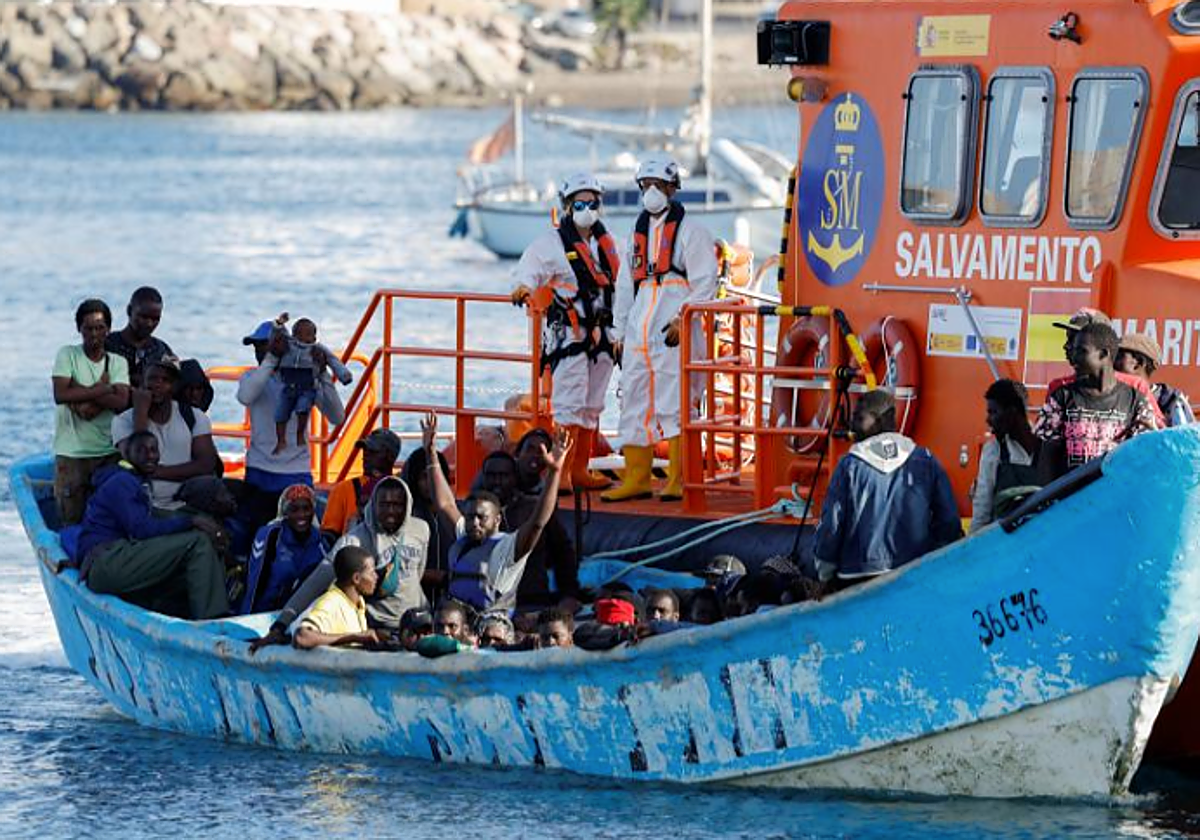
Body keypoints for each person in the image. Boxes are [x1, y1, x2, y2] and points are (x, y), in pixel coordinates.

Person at [604, 154, 719, 503]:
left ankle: (678, 479)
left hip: (672, 328)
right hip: (640, 325)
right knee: (634, 401)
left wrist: (683, 319)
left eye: (658, 185)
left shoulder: (692, 232)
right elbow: (625, 287)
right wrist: (619, 333)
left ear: (672, 188)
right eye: (646, 185)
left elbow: (706, 283)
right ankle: (637, 477)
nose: (651, 191)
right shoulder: (636, 234)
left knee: (676, 402)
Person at [512, 172, 620, 493]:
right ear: (568, 206)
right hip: (570, 336)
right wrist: (523, 287)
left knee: (593, 405)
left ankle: (581, 469)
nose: (587, 208)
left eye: (593, 202)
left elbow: (627, 280)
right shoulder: (551, 244)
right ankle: (561, 473)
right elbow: (530, 268)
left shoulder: (609, 244)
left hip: (604, 336)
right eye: (580, 203)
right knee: (569, 403)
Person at [249, 476, 431, 652]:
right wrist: (280, 625)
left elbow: (417, 574)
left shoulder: (421, 530)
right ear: (373, 505)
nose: (391, 511)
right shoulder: (356, 539)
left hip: (416, 626)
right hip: (378, 629)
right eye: (384, 505)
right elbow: (315, 582)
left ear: (407, 506)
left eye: (397, 505)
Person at [422, 412, 571, 614]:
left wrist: (554, 472)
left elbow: (538, 521)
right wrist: (430, 453)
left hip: (504, 616)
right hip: (464, 619)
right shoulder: (465, 536)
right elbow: (445, 504)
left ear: (497, 520)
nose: (475, 523)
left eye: (482, 518)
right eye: (470, 517)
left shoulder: (508, 548)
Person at [813, 389, 963, 589]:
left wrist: (824, 573)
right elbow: (949, 521)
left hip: (856, 576)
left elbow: (832, 524)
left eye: (859, 419)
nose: (852, 426)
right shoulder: (925, 460)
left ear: (880, 420)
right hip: (913, 573)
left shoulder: (849, 466)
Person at [77, 430, 228, 620]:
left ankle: (179, 612)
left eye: (154, 450)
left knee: (195, 546)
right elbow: (142, 530)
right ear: (127, 454)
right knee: (196, 542)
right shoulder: (121, 482)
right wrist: (192, 522)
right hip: (106, 562)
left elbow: (152, 521)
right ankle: (213, 621)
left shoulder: (136, 482)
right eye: (142, 450)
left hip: (115, 559)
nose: (150, 456)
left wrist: (196, 522)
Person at [236, 318, 346, 535]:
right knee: (256, 536)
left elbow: (337, 417)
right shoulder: (253, 377)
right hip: (259, 470)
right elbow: (245, 396)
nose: (260, 352)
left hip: (296, 472)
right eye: (257, 347)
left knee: (300, 537)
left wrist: (322, 372)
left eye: (265, 346)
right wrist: (272, 359)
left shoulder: (307, 379)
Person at [1036, 321, 1156, 482]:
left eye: (1081, 351)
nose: (1073, 356)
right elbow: (1046, 455)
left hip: (1113, 495)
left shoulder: (1135, 401)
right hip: (1069, 498)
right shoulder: (1062, 397)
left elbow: (1142, 458)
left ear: (1103, 354)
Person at [52, 299, 132, 525]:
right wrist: (104, 387)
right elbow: (60, 395)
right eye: (88, 328)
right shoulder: (67, 355)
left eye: (100, 328)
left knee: (108, 518)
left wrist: (82, 396)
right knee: (72, 517)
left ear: (108, 329)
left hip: (107, 451)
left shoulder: (117, 362)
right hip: (72, 455)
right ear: (79, 329)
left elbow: (121, 401)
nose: (95, 334)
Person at [110, 357, 221, 511]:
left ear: (174, 387)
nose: (158, 384)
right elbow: (139, 459)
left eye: (165, 380)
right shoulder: (122, 421)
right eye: (153, 378)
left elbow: (206, 465)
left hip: (185, 503)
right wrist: (141, 411)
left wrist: (158, 471)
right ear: (142, 383)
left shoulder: (195, 417)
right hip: (143, 506)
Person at [474, 451, 580, 610]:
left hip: (532, 601)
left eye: (503, 475)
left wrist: (569, 595)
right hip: (488, 604)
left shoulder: (534, 509)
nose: (497, 481)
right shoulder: (473, 515)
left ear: (515, 478)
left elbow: (563, 552)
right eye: (491, 475)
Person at [1051, 309, 1165, 427]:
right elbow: (1047, 440)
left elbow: (1158, 434)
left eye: (1075, 339)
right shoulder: (1060, 389)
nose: (1067, 346)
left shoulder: (1135, 387)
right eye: (1068, 338)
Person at [272, 313, 353, 454]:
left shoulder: (317, 351)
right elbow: (278, 335)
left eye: (307, 334)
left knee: (302, 409)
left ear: (314, 337)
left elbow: (338, 417)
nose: (302, 337)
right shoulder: (285, 347)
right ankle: (281, 441)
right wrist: (279, 324)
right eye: (298, 333)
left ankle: (299, 436)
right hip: (288, 387)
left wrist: (327, 373)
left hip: (306, 386)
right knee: (281, 413)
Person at [238, 484, 326, 615]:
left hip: (300, 615)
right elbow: (255, 582)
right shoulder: (270, 535)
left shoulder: (320, 541)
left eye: (306, 509)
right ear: (286, 512)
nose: (301, 515)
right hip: (265, 614)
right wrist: (248, 618)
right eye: (294, 509)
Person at [969, 379, 1040, 533]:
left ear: (1012, 412)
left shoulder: (1047, 448)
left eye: (993, 412)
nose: (988, 420)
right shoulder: (993, 452)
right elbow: (982, 509)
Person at [291, 546, 381, 650]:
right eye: (371, 573)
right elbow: (302, 637)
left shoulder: (358, 601)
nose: (376, 577)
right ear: (356, 578)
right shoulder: (330, 603)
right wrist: (354, 637)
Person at [322, 428, 402, 543]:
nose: (366, 454)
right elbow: (329, 535)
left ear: (389, 455)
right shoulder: (342, 489)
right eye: (364, 449)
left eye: (373, 451)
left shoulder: (402, 487)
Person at [1116, 332, 1195, 428]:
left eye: (1117, 357)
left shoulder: (1171, 399)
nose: (1110, 364)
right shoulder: (1107, 394)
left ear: (1138, 364)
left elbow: (1186, 439)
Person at [400, 444, 456, 577]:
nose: (430, 482)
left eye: (434, 476)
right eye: (424, 477)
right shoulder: (404, 516)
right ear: (414, 479)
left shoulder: (458, 513)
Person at [105, 286, 174, 390]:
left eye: (155, 319)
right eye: (144, 317)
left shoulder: (162, 350)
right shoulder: (107, 344)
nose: (149, 324)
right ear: (129, 310)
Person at [514, 427, 554, 495]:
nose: (535, 455)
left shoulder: (547, 492)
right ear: (518, 453)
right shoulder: (501, 479)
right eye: (530, 449)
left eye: (541, 451)